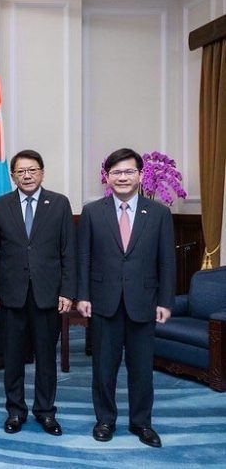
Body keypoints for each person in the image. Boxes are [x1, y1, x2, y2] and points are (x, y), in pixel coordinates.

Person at [76, 148, 175, 448]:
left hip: (144, 302)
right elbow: (84, 257)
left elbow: (167, 261)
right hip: (104, 301)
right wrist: (83, 295)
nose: (122, 177)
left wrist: (166, 301)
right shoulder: (93, 211)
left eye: (128, 171)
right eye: (116, 172)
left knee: (142, 369)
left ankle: (141, 423)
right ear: (108, 177)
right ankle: (105, 420)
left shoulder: (159, 213)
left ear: (140, 175)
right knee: (103, 368)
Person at [0, 150, 76, 436]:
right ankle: (15, 411)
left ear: (42, 172)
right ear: (13, 175)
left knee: (45, 356)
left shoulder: (60, 204)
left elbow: (69, 251)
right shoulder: (1, 205)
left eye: (32, 170)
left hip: (47, 294)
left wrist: (68, 290)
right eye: (21, 171)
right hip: (12, 293)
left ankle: (45, 411)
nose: (26, 176)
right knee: (13, 357)